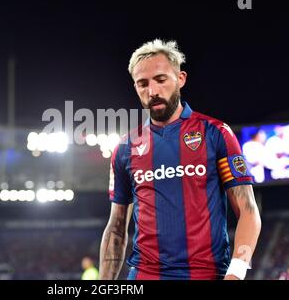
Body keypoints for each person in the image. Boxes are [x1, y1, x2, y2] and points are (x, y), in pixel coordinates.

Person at [99, 39, 262, 280]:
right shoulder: (125, 148)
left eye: (161, 80)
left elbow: (248, 211)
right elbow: (116, 226)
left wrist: (235, 274)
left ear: (181, 79)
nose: (152, 91)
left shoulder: (216, 133)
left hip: (207, 275)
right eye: (142, 84)